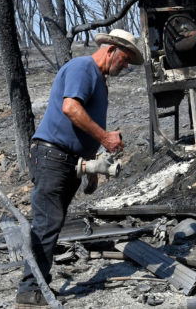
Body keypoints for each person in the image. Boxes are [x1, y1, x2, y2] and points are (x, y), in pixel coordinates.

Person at [15, 29, 143, 309]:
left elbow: (82, 127)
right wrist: (106, 137)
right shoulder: (83, 68)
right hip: (52, 157)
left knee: (51, 224)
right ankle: (29, 291)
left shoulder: (98, 79)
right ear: (110, 50)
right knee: (46, 225)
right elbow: (71, 108)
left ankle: (37, 286)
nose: (125, 66)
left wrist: (92, 169)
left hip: (66, 161)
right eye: (124, 59)